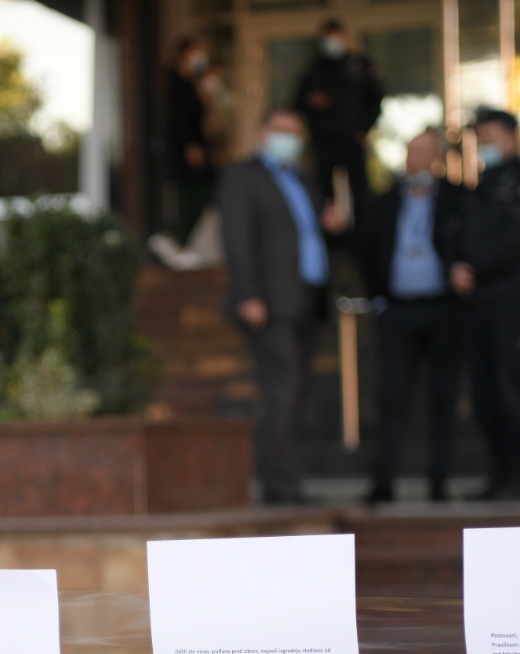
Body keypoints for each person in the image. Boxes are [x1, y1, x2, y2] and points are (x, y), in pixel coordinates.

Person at [219, 108, 335, 505]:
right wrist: (249, 293)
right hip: (268, 304)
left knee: (295, 394)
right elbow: (237, 238)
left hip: (306, 302)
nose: (290, 138)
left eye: (295, 131)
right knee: (282, 394)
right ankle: (281, 487)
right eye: (282, 130)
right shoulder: (241, 176)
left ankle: (281, 481)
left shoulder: (302, 179)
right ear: (261, 132)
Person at [449, 106, 520, 501]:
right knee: (485, 392)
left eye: (492, 135)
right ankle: (498, 471)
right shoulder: (476, 191)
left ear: (512, 138)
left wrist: (475, 266)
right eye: (481, 136)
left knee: (515, 385)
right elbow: (456, 237)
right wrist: (456, 268)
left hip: (515, 301)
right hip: (479, 304)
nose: (487, 144)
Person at [357, 128, 464, 504]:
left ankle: (439, 481)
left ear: (436, 159)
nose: (411, 160)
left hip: (444, 311)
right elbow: (366, 251)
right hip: (398, 311)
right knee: (390, 396)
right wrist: (379, 298)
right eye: (408, 153)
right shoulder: (384, 202)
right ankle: (382, 482)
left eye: (419, 153)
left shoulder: (457, 200)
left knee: (443, 396)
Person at [293, 19, 383, 198]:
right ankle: (326, 224)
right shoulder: (314, 69)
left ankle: (363, 226)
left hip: (352, 138)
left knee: (359, 189)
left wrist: (364, 129)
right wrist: (311, 101)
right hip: (323, 141)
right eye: (328, 37)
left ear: (345, 37)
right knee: (322, 189)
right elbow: (297, 102)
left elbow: (376, 99)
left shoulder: (359, 65)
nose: (332, 42)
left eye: (336, 36)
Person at [149, 37, 218, 266]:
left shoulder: (191, 84)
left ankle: (179, 243)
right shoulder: (176, 84)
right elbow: (177, 121)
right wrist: (191, 145)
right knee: (190, 198)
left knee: (204, 195)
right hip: (185, 155)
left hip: (196, 152)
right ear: (184, 54)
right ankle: (170, 239)